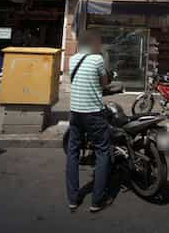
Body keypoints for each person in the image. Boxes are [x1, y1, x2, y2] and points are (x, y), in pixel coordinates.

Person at [66, 30, 111, 213]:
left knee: (73, 153)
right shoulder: (97, 60)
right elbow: (105, 83)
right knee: (102, 151)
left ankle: (73, 199)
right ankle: (97, 200)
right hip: (93, 114)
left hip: (75, 113)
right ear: (93, 45)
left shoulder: (72, 60)